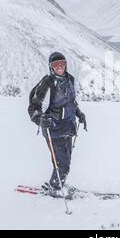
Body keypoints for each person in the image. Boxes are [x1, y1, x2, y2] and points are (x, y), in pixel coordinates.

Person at [28, 52, 87, 196]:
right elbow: (33, 108)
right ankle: (55, 188)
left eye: (62, 63)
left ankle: (58, 182)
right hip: (53, 129)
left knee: (64, 161)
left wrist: (79, 113)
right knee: (63, 164)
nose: (60, 67)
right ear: (50, 67)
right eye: (56, 65)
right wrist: (40, 119)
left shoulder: (69, 79)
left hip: (68, 127)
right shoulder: (47, 83)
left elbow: (71, 101)